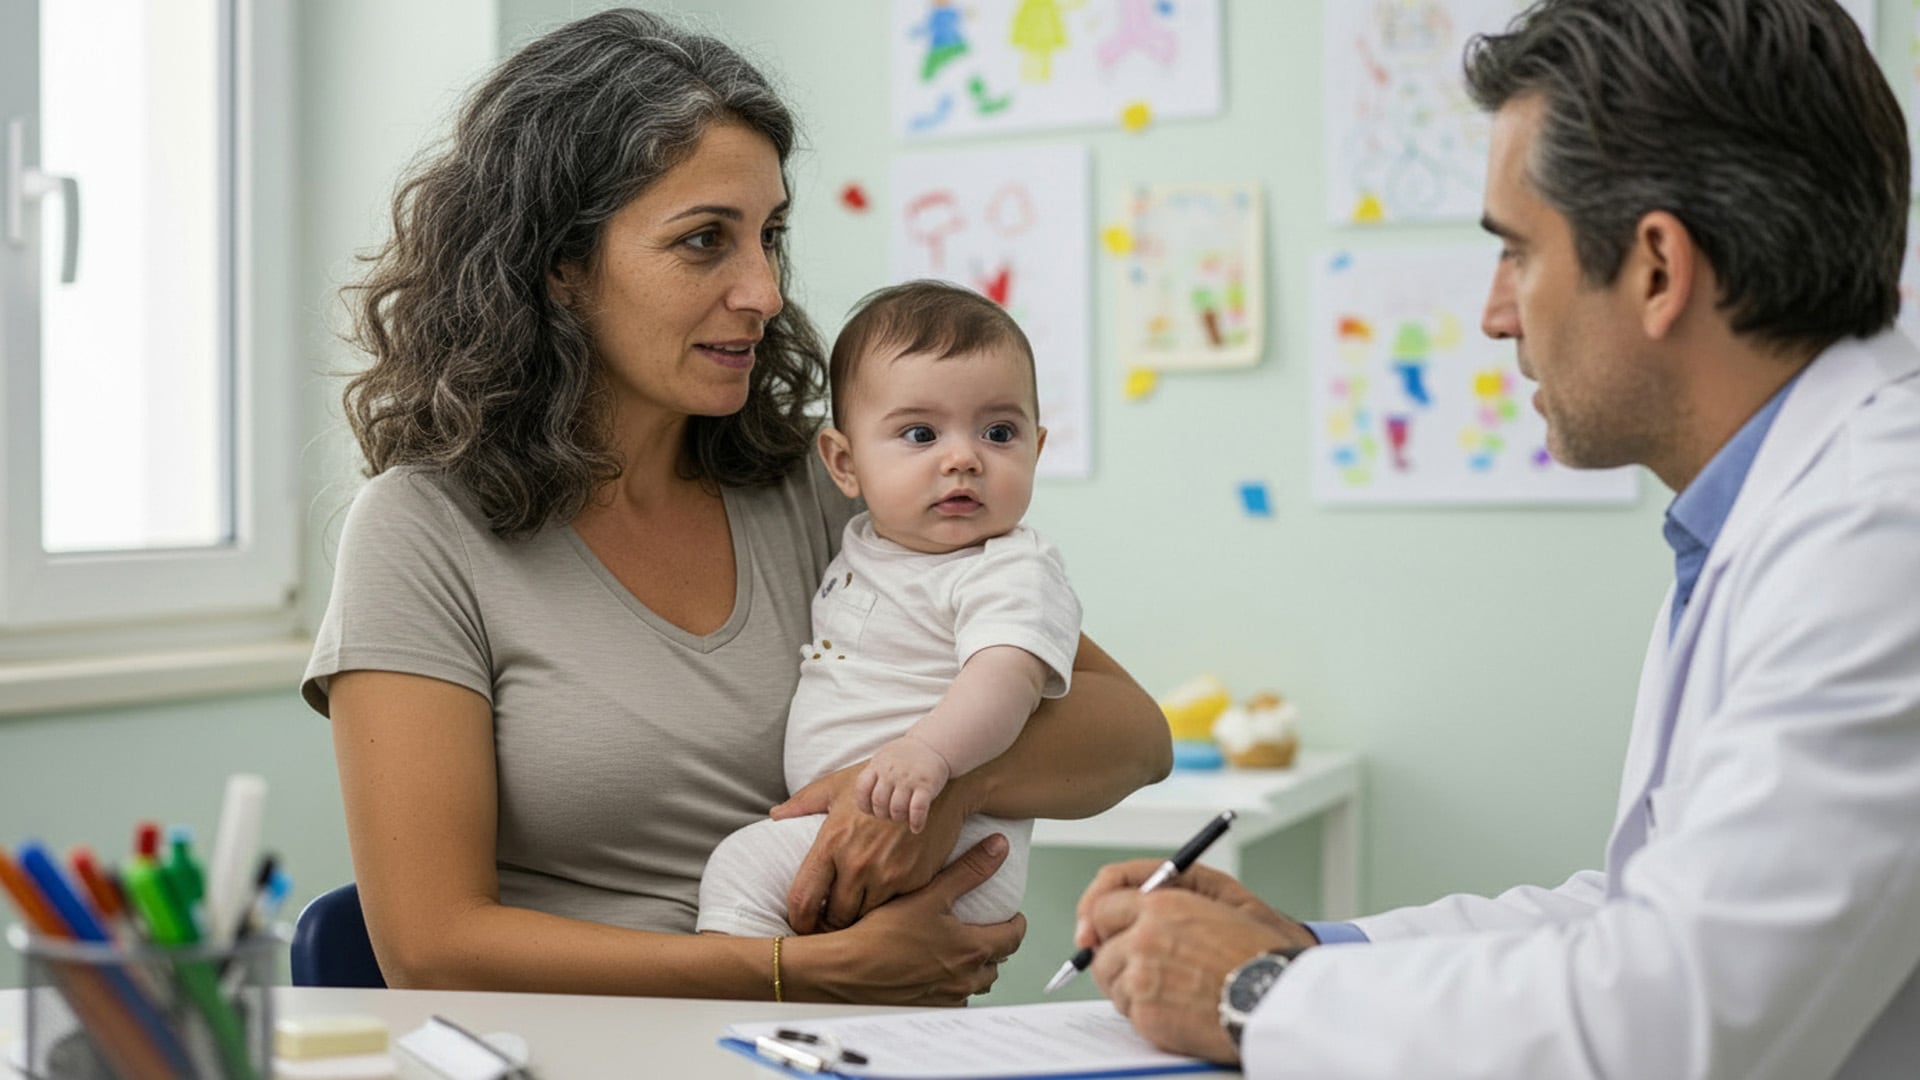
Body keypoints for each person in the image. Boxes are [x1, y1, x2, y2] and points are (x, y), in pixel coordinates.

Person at [1073, 1, 1920, 1076]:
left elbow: (1673, 1019)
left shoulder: (1881, 536)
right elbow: (1635, 919)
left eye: (1516, 253)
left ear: (1658, 268)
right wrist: (1304, 951)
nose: (1493, 314)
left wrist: (1251, 995)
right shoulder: (1785, 510)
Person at [302, 8, 1171, 1003]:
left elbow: (1134, 735)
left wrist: (940, 784)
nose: (763, 289)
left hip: (850, 1040)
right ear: (561, 268)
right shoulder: (420, 534)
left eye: (771, 235)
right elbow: (433, 946)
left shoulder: (817, 486)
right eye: (705, 241)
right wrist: (796, 970)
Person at [697, 281, 1080, 938]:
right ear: (845, 464)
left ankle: (722, 1011)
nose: (963, 458)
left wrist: (929, 752)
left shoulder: (1009, 568)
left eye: (998, 432)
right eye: (920, 433)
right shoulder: (868, 544)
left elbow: (1006, 677)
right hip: (869, 818)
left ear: (1036, 451)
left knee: (739, 870)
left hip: (944, 834)